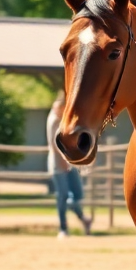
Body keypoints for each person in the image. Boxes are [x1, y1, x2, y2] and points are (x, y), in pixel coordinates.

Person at [46, 94, 91, 239]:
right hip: (59, 165)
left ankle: (82, 217)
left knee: (77, 194)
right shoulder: (54, 121)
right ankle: (63, 228)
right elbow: (55, 145)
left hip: (69, 163)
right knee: (63, 196)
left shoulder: (62, 118)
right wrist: (64, 162)